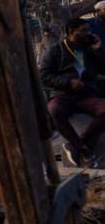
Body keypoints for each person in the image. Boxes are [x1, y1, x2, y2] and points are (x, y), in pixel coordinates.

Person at [41, 17, 105, 166]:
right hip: (63, 94)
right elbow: (44, 76)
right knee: (54, 110)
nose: (87, 33)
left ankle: (78, 146)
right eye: (83, 31)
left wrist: (99, 50)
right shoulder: (55, 51)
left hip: (86, 94)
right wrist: (68, 82)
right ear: (71, 32)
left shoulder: (88, 49)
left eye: (88, 30)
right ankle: (83, 150)